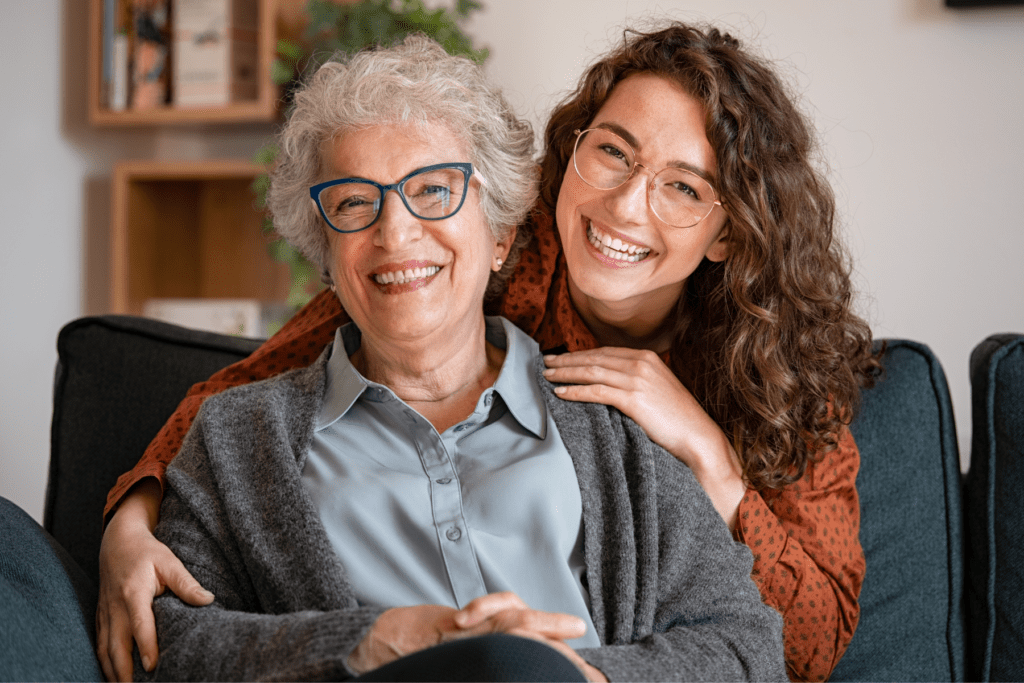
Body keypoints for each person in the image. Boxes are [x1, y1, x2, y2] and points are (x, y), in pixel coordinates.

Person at [99, 21, 878, 683]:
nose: (625, 205)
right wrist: (131, 515)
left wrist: (709, 460)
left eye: (683, 186)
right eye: (613, 152)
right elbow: (245, 393)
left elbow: (776, 645)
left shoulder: (703, 412)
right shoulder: (258, 425)